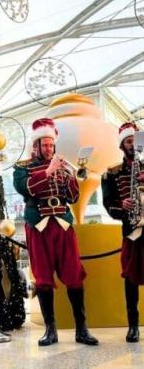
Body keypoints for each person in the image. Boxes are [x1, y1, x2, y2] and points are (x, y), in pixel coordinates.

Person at [13, 118, 98, 347]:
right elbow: (25, 188)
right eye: (45, 145)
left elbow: (72, 198)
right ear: (36, 145)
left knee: (74, 275)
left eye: (51, 145)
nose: (49, 149)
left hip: (62, 224)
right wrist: (49, 171)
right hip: (38, 225)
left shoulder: (63, 165)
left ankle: (82, 328)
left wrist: (71, 176)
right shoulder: (23, 167)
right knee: (42, 277)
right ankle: (50, 330)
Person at [102, 122, 144, 342]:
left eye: (135, 141)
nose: (132, 145)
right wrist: (123, 204)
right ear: (122, 145)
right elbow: (108, 204)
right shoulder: (111, 173)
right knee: (130, 278)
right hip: (131, 231)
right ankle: (133, 326)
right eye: (128, 141)